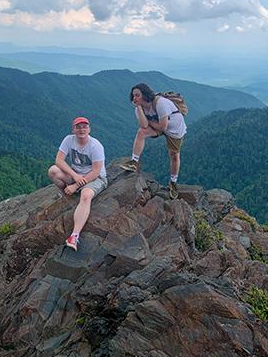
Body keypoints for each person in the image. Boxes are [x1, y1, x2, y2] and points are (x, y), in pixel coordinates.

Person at [48, 116, 107, 251]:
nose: (82, 129)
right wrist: (75, 176)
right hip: (76, 174)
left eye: (85, 126)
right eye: (78, 127)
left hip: (95, 178)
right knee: (53, 171)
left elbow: (96, 171)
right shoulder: (69, 140)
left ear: (89, 129)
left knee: (86, 194)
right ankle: (70, 197)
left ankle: (74, 236)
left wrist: (76, 185)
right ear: (73, 129)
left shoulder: (95, 145)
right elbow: (59, 160)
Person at [120, 83, 186, 199]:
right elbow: (144, 126)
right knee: (141, 132)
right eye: (133, 96)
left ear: (145, 95)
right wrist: (139, 108)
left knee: (174, 155)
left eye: (137, 95)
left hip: (174, 128)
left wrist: (148, 121)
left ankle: (173, 182)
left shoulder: (161, 103)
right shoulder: (139, 109)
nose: (134, 98)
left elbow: (163, 127)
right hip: (158, 124)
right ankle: (134, 162)